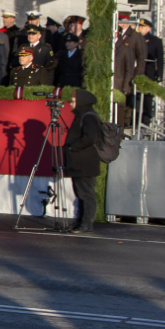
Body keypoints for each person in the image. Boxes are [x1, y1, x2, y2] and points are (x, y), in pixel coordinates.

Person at [62, 89, 103, 232]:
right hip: (79, 162)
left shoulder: (89, 117)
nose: (71, 104)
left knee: (86, 193)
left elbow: (90, 138)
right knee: (80, 193)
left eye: (74, 101)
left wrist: (73, 146)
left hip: (85, 163)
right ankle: (80, 221)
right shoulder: (82, 116)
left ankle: (86, 223)